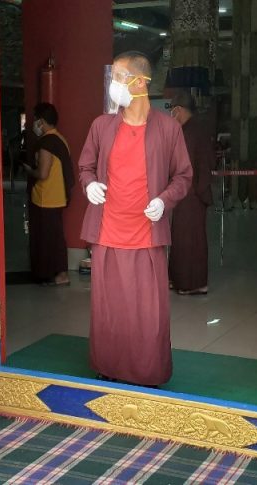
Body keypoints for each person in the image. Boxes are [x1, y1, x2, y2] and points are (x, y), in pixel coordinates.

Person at [79, 51, 193, 387]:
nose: (113, 84)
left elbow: (183, 176)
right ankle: (108, 366)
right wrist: (89, 184)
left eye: (119, 77)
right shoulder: (102, 126)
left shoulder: (168, 128)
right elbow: (85, 166)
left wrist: (164, 199)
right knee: (109, 308)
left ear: (140, 82)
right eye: (112, 77)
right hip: (107, 231)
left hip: (146, 233)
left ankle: (147, 372)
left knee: (147, 311)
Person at [167, 92, 214, 295]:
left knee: (189, 239)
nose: (171, 115)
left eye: (172, 110)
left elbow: (185, 166)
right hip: (189, 192)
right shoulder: (194, 128)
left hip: (191, 192)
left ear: (178, 110)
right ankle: (179, 278)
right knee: (182, 236)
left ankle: (192, 283)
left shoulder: (190, 132)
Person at [22, 102, 73, 286]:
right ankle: (57, 273)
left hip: (46, 198)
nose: (34, 124)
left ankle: (57, 275)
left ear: (41, 122)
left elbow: (43, 174)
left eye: (36, 120)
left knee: (47, 239)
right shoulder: (60, 139)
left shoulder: (46, 144)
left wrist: (29, 170)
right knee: (54, 237)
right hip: (57, 196)